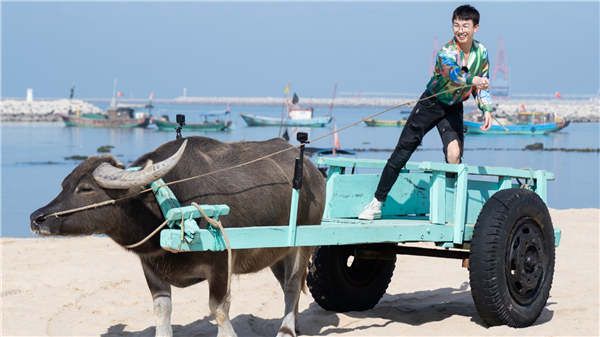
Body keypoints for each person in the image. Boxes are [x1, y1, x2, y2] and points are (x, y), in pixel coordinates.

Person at [358, 4, 494, 220]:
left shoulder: (482, 52)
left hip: (453, 106)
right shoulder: (446, 51)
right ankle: (377, 202)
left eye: (465, 26)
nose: (460, 30)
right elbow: (454, 74)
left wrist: (486, 109)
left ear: (475, 27)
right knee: (404, 149)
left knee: (454, 154)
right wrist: (473, 79)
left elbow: (483, 83)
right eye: (456, 25)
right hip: (431, 104)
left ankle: (451, 208)